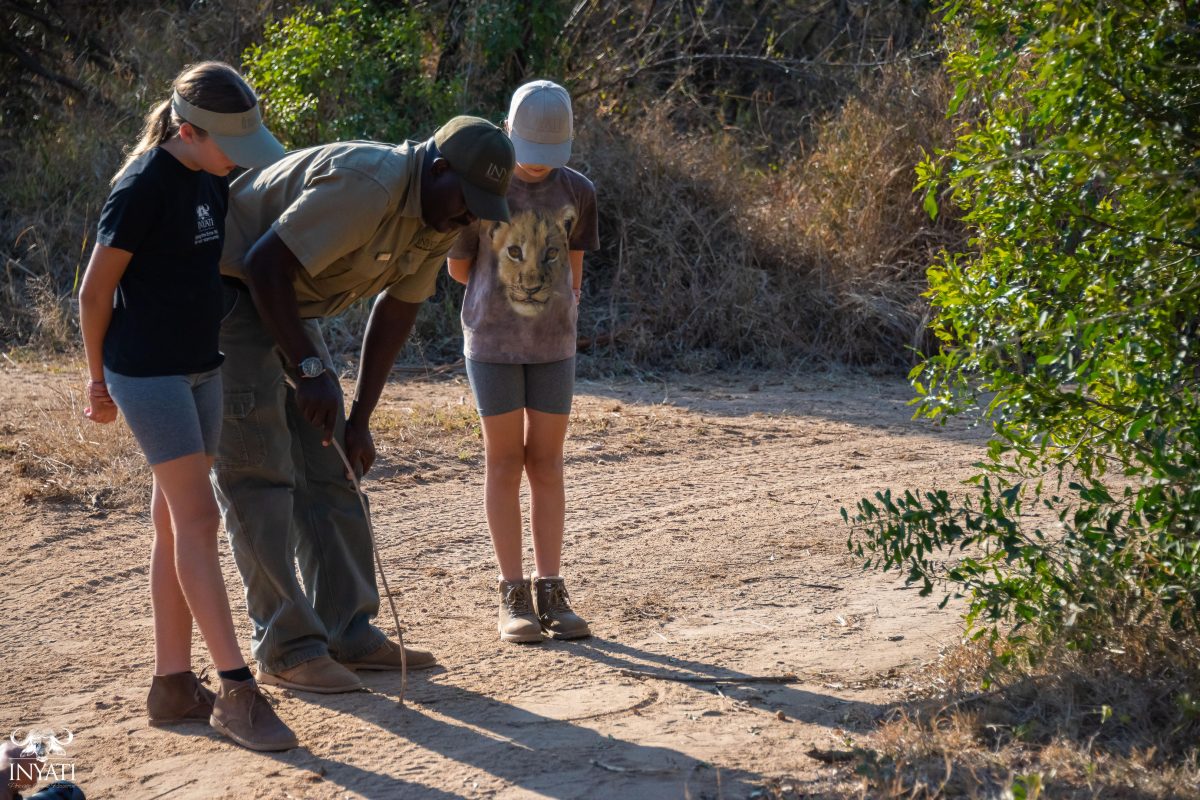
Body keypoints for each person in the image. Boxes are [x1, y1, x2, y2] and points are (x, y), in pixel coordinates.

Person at [215, 116, 515, 693]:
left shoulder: (435, 213)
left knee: (333, 467)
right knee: (261, 475)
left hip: (285, 306)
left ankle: (347, 631)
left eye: (479, 208)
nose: (467, 218)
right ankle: (288, 649)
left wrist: (359, 419)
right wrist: (307, 368)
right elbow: (261, 264)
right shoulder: (369, 185)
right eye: (466, 202)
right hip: (229, 296)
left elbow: (397, 310)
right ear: (438, 168)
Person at [78, 62, 297, 751]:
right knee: (199, 517)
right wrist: (95, 382)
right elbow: (92, 293)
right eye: (230, 143)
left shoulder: (212, 173)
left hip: (203, 367)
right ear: (187, 130)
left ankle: (173, 684)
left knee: (174, 525)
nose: (240, 157)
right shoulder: (142, 186)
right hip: (148, 374)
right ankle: (236, 692)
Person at [447, 80, 600, 643]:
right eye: (528, 156)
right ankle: (512, 593)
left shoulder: (579, 191)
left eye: (547, 158)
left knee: (548, 464)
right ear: (506, 133)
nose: (537, 170)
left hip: (554, 346)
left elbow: (576, 271)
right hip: (491, 343)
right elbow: (459, 269)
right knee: (504, 463)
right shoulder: (478, 188)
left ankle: (551, 588)